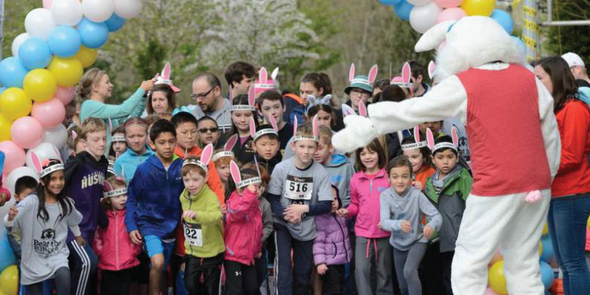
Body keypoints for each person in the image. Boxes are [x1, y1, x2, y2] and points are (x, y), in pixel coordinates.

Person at [333, 17, 561, 295]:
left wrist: (371, 120)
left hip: (496, 184)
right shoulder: (528, 78)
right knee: (524, 263)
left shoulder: (466, 82)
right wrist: (546, 174)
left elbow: (415, 109)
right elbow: (550, 132)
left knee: (469, 260)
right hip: (536, 184)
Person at [534, 56, 590, 295]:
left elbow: (571, 156)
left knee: (573, 263)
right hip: (556, 193)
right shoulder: (554, 109)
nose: (535, 84)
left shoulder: (575, 109)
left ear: (555, 78)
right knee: (566, 265)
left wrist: (536, 167)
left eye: (539, 78)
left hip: (572, 193)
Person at [267, 121, 333, 295]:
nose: (306, 151)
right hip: (282, 224)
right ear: (293, 146)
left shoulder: (320, 172)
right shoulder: (281, 168)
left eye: (310, 147)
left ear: (317, 148)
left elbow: (326, 204)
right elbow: (272, 198)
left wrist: (303, 210)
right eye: (302, 146)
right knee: (284, 270)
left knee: (303, 274)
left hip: (306, 227)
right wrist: (287, 214)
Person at [5, 159, 83, 295]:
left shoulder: (66, 203)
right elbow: (10, 221)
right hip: (32, 259)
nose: (58, 183)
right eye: (53, 179)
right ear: (42, 181)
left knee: (64, 274)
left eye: (61, 178)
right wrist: (11, 217)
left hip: (57, 255)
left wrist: (78, 235)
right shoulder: (30, 201)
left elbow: (73, 220)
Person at [126, 119, 185, 295]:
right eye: (161, 142)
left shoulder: (182, 167)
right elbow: (132, 199)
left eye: (171, 141)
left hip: (173, 228)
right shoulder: (144, 169)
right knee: (158, 262)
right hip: (149, 225)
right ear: (152, 144)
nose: (167, 146)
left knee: (162, 267)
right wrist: (131, 225)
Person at [336, 139, 394, 295]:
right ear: (358, 156)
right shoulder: (356, 179)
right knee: (361, 270)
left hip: (384, 233)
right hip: (362, 233)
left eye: (371, 152)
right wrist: (348, 211)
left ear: (379, 154)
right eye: (363, 153)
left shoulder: (388, 177)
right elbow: (355, 204)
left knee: (384, 272)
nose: (367, 157)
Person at [380, 156, 442, 295]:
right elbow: (384, 222)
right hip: (398, 243)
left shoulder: (417, 195)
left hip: (418, 240)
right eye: (395, 177)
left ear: (411, 178)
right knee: (403, 285)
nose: (400, 181)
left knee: (409, 271)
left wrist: (431, 225)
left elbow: (436, 216)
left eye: (404, 176)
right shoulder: (385, 196)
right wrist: (398, 224)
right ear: (388, 178)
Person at [64, 117, 109, 295]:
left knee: (85, 270)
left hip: (89, 228)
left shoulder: (103, 163)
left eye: (104, 138)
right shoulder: (78, 161)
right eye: (96, 140)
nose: (102, 143)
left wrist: (103, 219)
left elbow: (95, 196)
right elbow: (55, 186)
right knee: (88, 262)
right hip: (71, 229)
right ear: (84, 142)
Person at [423, 136, 472, 295]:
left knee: (453, 277)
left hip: (457, 239)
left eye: (450, 157)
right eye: (440, 157)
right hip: (435, 239)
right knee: (438, 277)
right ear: (432, 159)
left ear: (457, 157)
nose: (445, 161)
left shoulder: (463, 177)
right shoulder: (429, 182)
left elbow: (472, 207)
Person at [179, 155, 225, 295]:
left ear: (205, 178)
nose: (190, 184)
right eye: (186, 180)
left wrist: (197, 215)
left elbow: (216, 216)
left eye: (195, 180)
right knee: (190, 285)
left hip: (211, 252)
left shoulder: (210, 197)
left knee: (211, 289)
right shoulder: (184, 196)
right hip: (193, 251)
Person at [78, 68, 155, 150]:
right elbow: (124, 110)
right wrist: (142, 89)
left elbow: (129, 119)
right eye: (107, 82)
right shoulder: (89, 106)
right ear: (95, 87)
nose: (111, 85)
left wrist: (143, 96)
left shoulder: (104, 111)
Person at [93, 177, 141, 295]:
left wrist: (133, 252)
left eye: (124, 195)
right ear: (108, 199)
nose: (122, 199)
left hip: (127, 263)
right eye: (117, 196)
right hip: (106, 264)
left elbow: (137, 236)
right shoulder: (103, 217)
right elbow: (97, 237)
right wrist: (101, 253)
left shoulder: (130, 216)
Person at [224, 161, 263, 295]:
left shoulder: (256, 208)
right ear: (241, 188)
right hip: (233, 256)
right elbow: (238, 212)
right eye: (253, 188)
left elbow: (257, 232)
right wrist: (249, 195)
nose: (257, 191)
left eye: (258, 187)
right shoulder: (233, 202)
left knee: (252, 289)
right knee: (235, 290)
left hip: (249, 256)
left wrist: (257, 250)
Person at [313, 185, 352, 295]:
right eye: (329, 200)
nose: (333, 202)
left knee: (342, 287)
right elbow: (318, 243)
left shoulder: (340, 216)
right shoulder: (320, 219)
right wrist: (320, 262)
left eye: (335, 198)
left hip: (341, 261)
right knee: (333, 289)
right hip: (329, 263)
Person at [314, 126, 354, 207]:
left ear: (331, 148)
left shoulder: (345, 167)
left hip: (341, 215)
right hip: (318, 216)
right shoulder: (310, 167)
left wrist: (341, 206)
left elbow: (353, 194)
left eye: (320, 148)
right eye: (313, 148)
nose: (316, 152)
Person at [217, 94, 258, 164]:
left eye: (247, 115)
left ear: (254, 115)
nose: (242, 120)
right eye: (238, 115)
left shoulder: (261, 138)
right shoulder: (224, 139)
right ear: (231, 115)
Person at [6, 176, 38, 264]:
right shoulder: (14, 215)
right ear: (16, 197)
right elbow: (14, 241)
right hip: (25, 261)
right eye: (27, 197)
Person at [114, 118, 154, 183]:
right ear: (125, 137)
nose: (136, 141)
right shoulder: (120, 162)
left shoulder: (157, 157)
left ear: (147, 135)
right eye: (131, 136)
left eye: (140, 136)